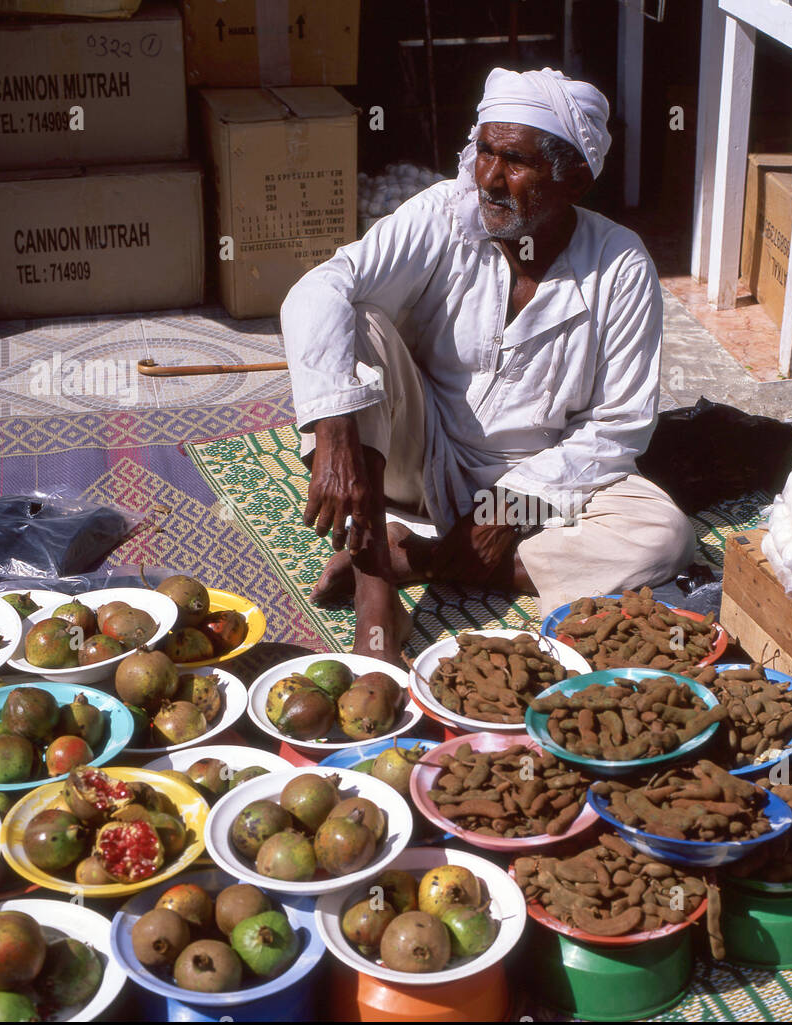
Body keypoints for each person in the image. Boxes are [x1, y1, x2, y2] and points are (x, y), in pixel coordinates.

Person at [281, 67, 696, 664]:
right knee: (358, 319)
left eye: (516, 162)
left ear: (574, 178)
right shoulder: (443, 215)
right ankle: (377, 590)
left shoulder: (621, 263)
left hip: (535, 484)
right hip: (414, 454)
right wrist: (336, 427)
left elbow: (619, 425)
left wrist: (507, 507)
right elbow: (321, 287)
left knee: (665, 536)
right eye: (484, 153)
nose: (490, 180)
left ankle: (416, 559)